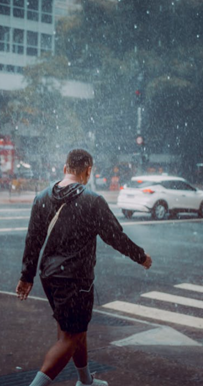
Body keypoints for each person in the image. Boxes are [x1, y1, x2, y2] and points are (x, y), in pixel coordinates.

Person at [16, 149, 152, 386]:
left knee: (74, 330)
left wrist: (27, 276)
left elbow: (33, 240)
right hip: (75, 279)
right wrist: (141, 257)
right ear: (88, 170)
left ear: (65, 167)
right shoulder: (92, 201)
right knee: (70, 337)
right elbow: (115, 237)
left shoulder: (41, 198)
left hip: (49, 276)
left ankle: (85, 382)